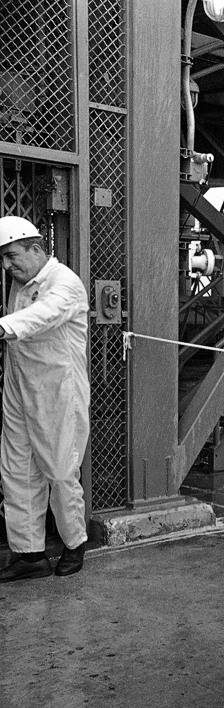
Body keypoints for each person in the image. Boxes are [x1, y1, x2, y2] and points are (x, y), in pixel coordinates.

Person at [0, 217, 90, 583]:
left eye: (11, 256)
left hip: (57, 391)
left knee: (60, 470)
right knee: (17, 469)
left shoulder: (64, 282)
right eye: (3, 259)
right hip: (20, 386)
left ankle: (75, 543)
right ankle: (29, 554)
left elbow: (43, 315)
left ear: (36, 249)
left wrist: (3, 327)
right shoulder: (20, 284)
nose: (7, 265)